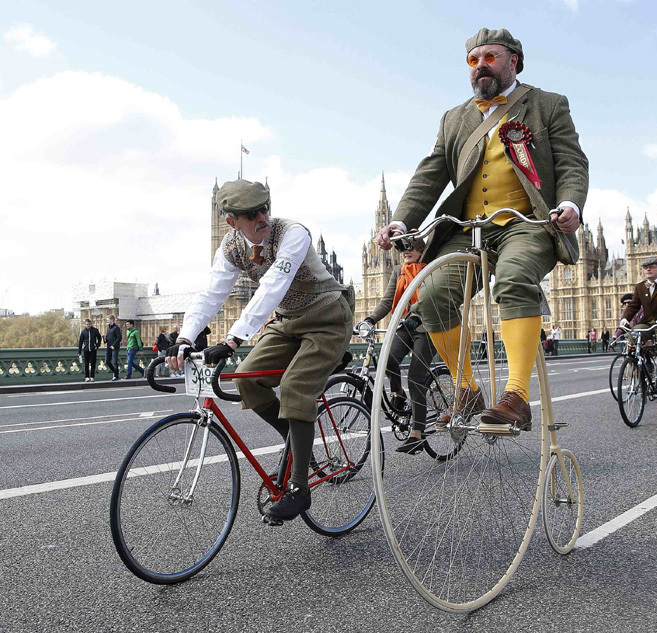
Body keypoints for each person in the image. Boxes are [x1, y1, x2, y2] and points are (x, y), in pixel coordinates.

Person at [374, 28, 589, 433]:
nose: (480, 66)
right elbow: (431, 174)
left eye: (489, 57)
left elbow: (572, 163)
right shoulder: (455, 118)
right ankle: (468, 388)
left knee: (513, 277)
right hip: (467, 228)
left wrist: (571, 205)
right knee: (432, 293)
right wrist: (402, 219)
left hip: (524, 224)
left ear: (514, 61)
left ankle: (516, 398)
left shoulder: (548, 105)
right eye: (473, 60)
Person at [166, 179, 354, 522]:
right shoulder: (231, 247)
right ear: (232, 222)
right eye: (251, 214)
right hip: (288, 321)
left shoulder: (292, 233)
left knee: (296, 387)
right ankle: (295, 441)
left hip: (328, 317)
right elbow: (211, 294)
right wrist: (185, 337)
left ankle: (299, 490)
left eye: (265, 208)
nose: (262, 216)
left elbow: (272, 285)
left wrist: (232, 339)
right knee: (247, 381)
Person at [361, 237, 435, 454]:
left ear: (421, 250)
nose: (405, 252)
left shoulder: (431, 269)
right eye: (402, 249)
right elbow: (388, 300)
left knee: (415, 378)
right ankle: (398, 393)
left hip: (428, 328)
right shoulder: (398, 270)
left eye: (410, 248)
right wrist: (370, 319)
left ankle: (417, 434)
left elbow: (433, 298)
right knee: (387, 360)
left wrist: (418, 314)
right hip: (405, 325)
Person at [620, 257, 657, 412]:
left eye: (651, 267)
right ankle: (636, 362)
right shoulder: (640, 287)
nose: (648, 270)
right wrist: (625, 318)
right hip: (647, 323)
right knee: (631, 334)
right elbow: (634, 305)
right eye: (645, 267)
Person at [76, 318, 102, 382]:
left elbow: (99, 337)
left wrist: (97, 345)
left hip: (93, 349)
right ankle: (87, 376)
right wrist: (79, 351)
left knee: (93, 363)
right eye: (87, 324)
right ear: (85, 325)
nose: (88, 325)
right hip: (86, 349)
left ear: (91, 324)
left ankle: (92, 376)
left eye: (89, 324)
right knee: (86, 364)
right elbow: (80, 342)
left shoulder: (95, 330)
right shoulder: (83, 332)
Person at [104, 314, 122, 381]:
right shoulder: (108, 328)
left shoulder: (116, 328)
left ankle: (116, 375)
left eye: (108, 320)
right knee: (107, 361)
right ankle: (115, 372)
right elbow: (108, 338)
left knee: (114, 361)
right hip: (108, 347)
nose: (107, 321)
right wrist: (105, 339)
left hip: (115, 347)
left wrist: (114, 345)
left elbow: (119, 337)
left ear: (112, 320)